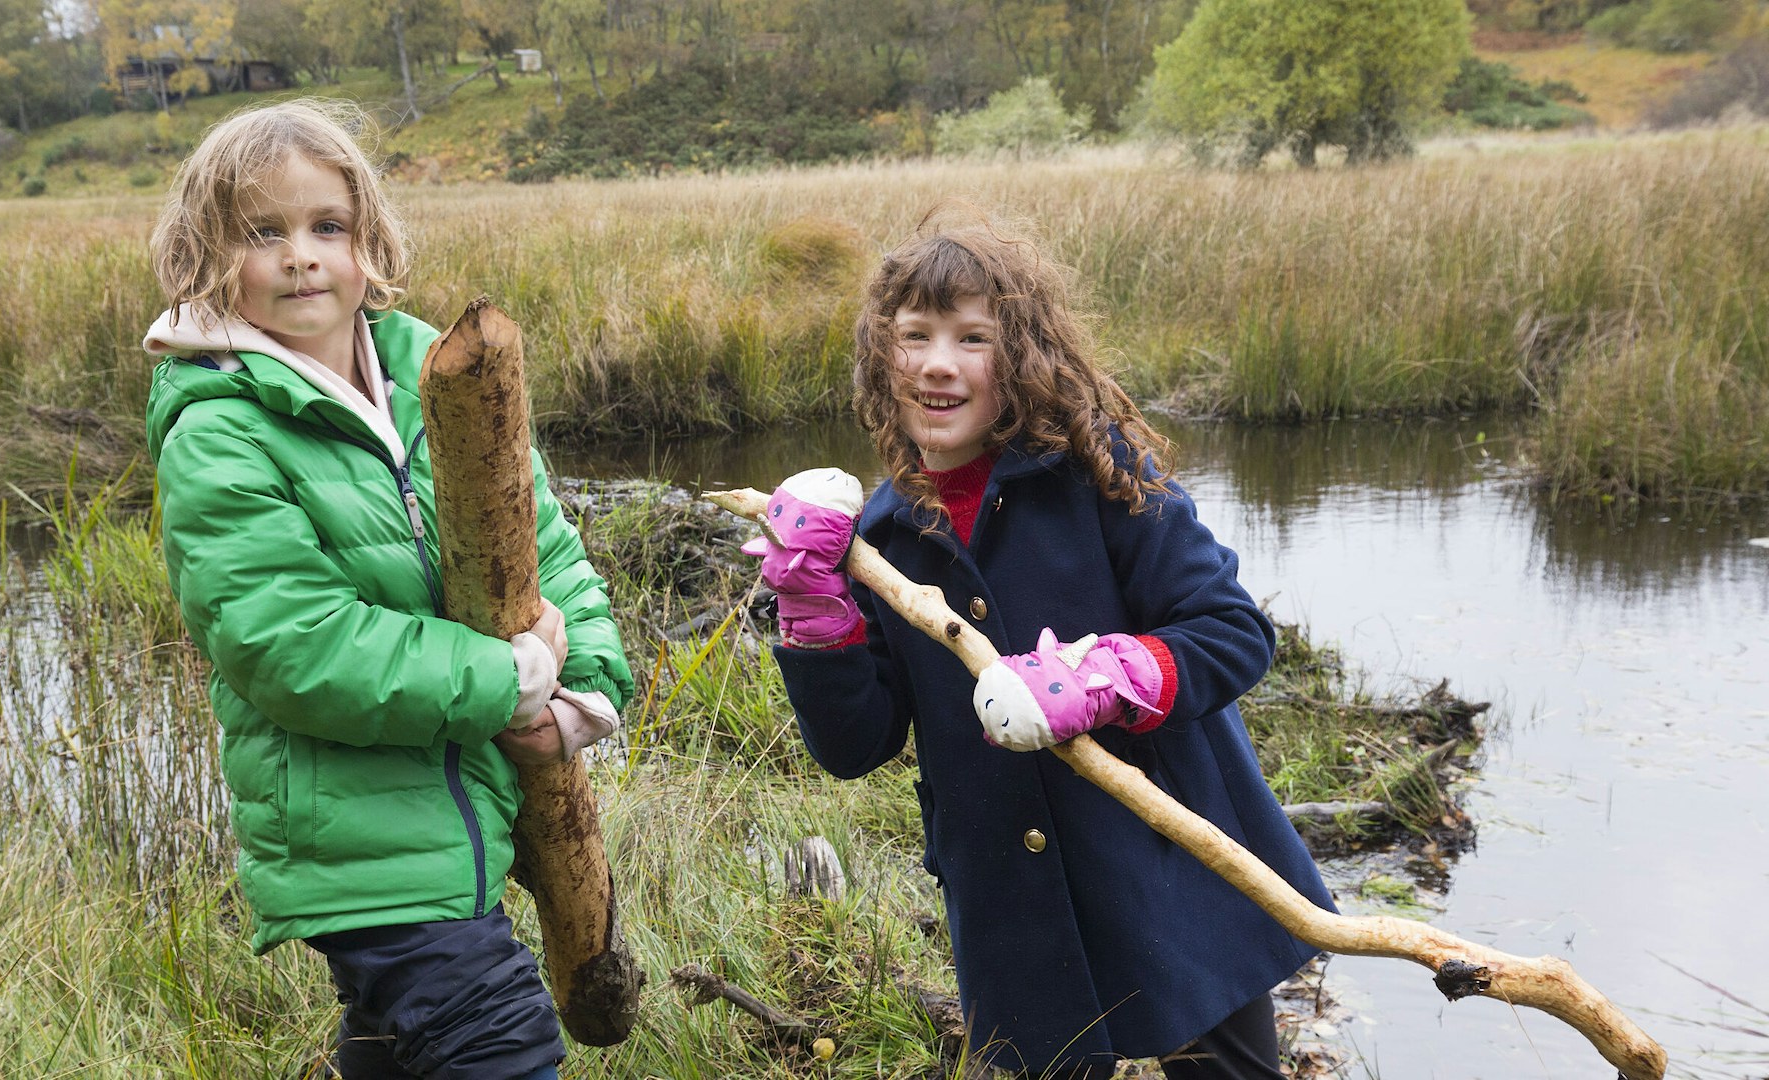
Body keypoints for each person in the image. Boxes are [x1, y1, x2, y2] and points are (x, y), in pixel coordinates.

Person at [747, 212, 1335, 1079]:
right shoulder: (879, 538)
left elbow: (1231, 631)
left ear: (1020, 359)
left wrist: (1103, 677)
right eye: (914, 336)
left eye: (972, 337)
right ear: (884, 358)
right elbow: (852, 745)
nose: (938, 363)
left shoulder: (1103, 473)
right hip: (1006, 897)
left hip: (1168, 859)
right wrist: (811, 607)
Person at [142, 98, 633, 1080]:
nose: (301, 257)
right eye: (263, 233)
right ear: (207, 253)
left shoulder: (442, 371)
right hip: (357, 840)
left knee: (392, 1048)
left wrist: (583, 693)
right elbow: (293, 644)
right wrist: (506, 678)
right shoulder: (219, 426)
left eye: (328, 227)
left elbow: (543, 544)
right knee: (502, 1047)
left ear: (369, 241)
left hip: (468, 811)